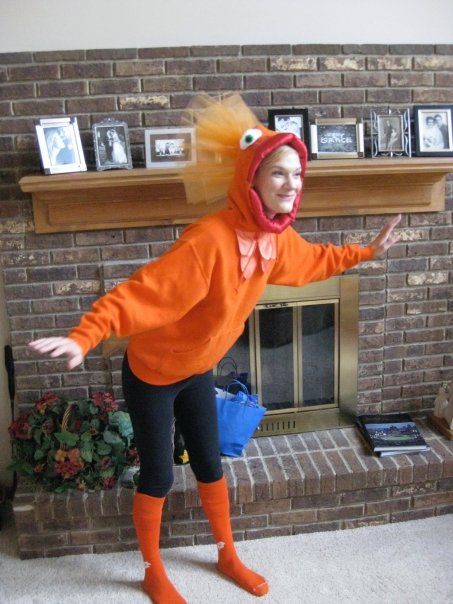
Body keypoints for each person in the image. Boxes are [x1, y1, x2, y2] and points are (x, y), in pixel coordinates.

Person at [29, 94, 401, 604]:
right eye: (278, 175)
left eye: (297, 175)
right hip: (154, 373)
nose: (292, 185)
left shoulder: (276, 239)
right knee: (159, 474)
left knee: (210, 462)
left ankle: (226, 552)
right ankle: (151, 568)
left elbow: (315, 261)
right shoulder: (209, 240)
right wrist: (85, 334)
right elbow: (142, 292)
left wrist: (365, 252)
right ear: (251, 179)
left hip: (199, 369)